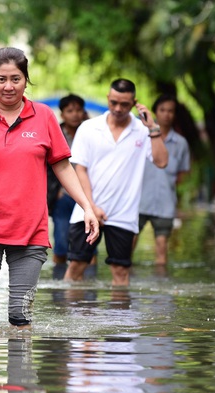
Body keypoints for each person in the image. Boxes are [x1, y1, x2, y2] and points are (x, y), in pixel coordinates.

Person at [0, 47, 99, 330]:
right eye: (1, 79)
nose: (8, 86)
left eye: (15, 79)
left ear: (26, 80)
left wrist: (86, 206)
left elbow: (63, 167)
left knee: (20, 315)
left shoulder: (44, 117)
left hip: (30, 227)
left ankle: (19, 370)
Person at [63, 78, 168, 286]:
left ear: (134, 103)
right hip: (86, 211)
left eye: (125, 104)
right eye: (114, 103)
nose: (118, 108)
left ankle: (120, 319)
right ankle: (73, 317)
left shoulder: (143, 130)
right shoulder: (89, 128)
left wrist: (153, 127)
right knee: (77, 266)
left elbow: (162, 161)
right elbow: (79, 169)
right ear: (108, 99)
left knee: (121, 272)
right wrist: (91, 207)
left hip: (123, 214)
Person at [135, 93, 191, 266]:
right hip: (138, 201)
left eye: (171, 111)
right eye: (163, 110)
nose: (167, 114)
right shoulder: (141, 137)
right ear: (155, 112)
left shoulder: (181, 143)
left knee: (161, 250)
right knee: (127, 246)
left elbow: (182, 174)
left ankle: (161, 287)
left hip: (166, 203)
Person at [47, 94, 87, 266]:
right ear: (62, 114)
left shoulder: (90, 134)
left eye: (78, 110)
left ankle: (86, 284)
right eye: (70, 111)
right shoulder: (54, 134)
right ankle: (59, 284)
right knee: (61, 241)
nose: (75, 114)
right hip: (62, 196)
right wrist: (53, 194)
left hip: (87, 195)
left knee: (87, 243)